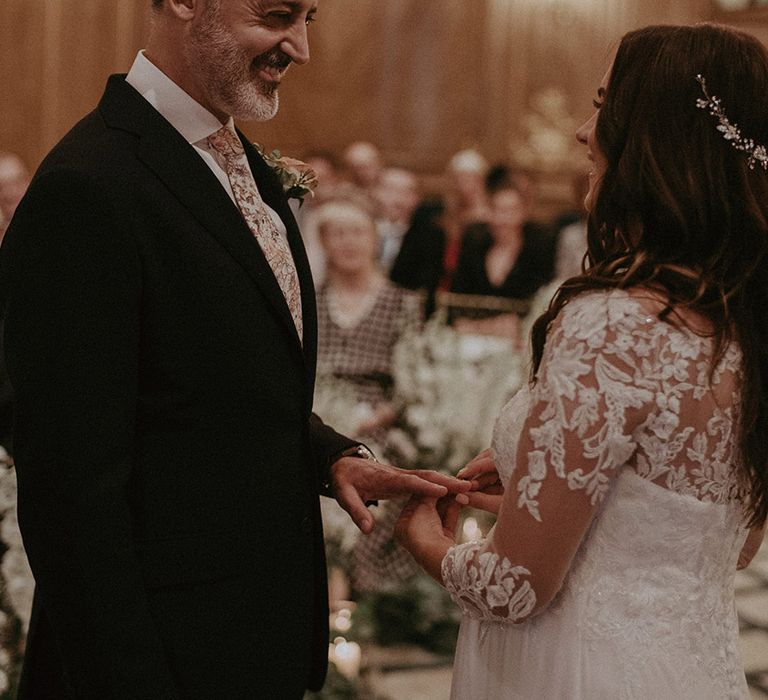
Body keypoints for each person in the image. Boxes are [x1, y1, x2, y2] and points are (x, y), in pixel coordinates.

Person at [0, 2, 467, 698]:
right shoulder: (88, 186)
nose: (300, 48)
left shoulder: (238, 160)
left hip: (249, 636)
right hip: (159, 655)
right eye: (277, 15)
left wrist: (329, 455)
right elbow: (69, 488)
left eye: (308, 17)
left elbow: (205, 384)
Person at [397, 23, 768, 699]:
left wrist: (421, 535)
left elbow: (515, 589)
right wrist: (553, 496)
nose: (582, 132)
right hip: (693, 674)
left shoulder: (615, 324)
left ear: (654, 141)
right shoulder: (753, 327)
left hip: (577, 676)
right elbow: (719, 541)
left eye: (603, 105)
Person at [316, 200, 422, 443]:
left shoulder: (401, 303)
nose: (349, 242)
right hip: (317, 418)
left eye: (358, 232)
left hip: (376, 423)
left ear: (374, 238)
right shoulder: (310, 300)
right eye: (339, 234)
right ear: (324, 242)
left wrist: (374, 419)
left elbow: (410, 385)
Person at [449, 175, 555, 339]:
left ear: (523, 213)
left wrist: (476, 326)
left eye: (509, 211)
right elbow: (456, 307)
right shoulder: (474, 245)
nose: (501, 219)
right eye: (496, 210)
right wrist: (492, 327)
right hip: (469, 344)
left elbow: (537, 311)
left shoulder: (538, 249)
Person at [390, 148, 489, 316]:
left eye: (470, 178)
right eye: (458, 178)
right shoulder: (429, 214)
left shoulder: (490, 224)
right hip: (426, 299)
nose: (463, 184)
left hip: (466, 305)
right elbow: (406, 263)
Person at [372, 166, 421, 273]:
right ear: (375, 192)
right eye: (390, 190)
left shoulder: (425, 238)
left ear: (416, 199)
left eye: (406, 192)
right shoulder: (362, 230)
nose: (397, 199)